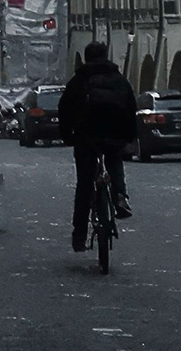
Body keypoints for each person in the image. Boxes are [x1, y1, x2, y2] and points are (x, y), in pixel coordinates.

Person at [58, 43, 136, 251]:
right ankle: (120, 196)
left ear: (86, 58)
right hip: (114, 134)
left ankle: (79, 235)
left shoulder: (79, 80)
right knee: (114, 160)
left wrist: (67, 136)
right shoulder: (119, 80)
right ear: (106, 55)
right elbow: (131, 107)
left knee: (85, 184)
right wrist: (129, 136)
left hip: (86, 137)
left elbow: (65, 110)